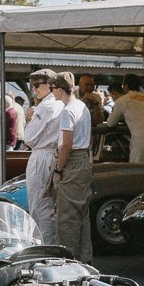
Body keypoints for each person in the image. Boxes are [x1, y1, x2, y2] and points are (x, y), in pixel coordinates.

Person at [52, 72, 92, 262]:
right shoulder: (82, 106)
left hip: (71, 161)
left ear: (60, 90)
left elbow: (66, 145)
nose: (52, 92)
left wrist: (58, 169)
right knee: (82, 214)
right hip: (84, 159)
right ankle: (85, 258)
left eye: (53, 89)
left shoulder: (67, 111)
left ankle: (68, 261)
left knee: (67, 217)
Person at [24, 68, 64, 244]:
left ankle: (46, 246)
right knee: (48, 206)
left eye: (37, 85)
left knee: (40, 207)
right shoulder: (59, 103)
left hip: (42, 156)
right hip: (52, 154)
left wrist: (29, 119)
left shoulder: (46, 106)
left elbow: (28, 137)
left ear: (49, 85)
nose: (34, 89)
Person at [101, 74, 144, 163]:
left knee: (137, 171)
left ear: (126, 86)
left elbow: (111, 123)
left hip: (142, 142)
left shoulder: (123, 100)